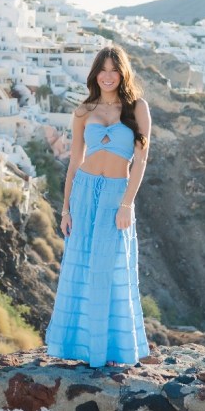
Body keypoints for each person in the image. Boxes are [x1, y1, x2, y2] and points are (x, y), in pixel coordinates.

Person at [45, 45, 151, 367]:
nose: (107, 76)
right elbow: (74, 161)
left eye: (113, 70)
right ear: (95, 74)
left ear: (122, 73)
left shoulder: (137, 108)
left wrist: (127, 204)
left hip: (115, 197)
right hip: (84, 193)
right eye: (102, 70)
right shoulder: (83, 111)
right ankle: (80, 348)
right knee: (80, 270)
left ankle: (110, 351)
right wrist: (66, 209)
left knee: (109, 268)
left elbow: (142, 159)